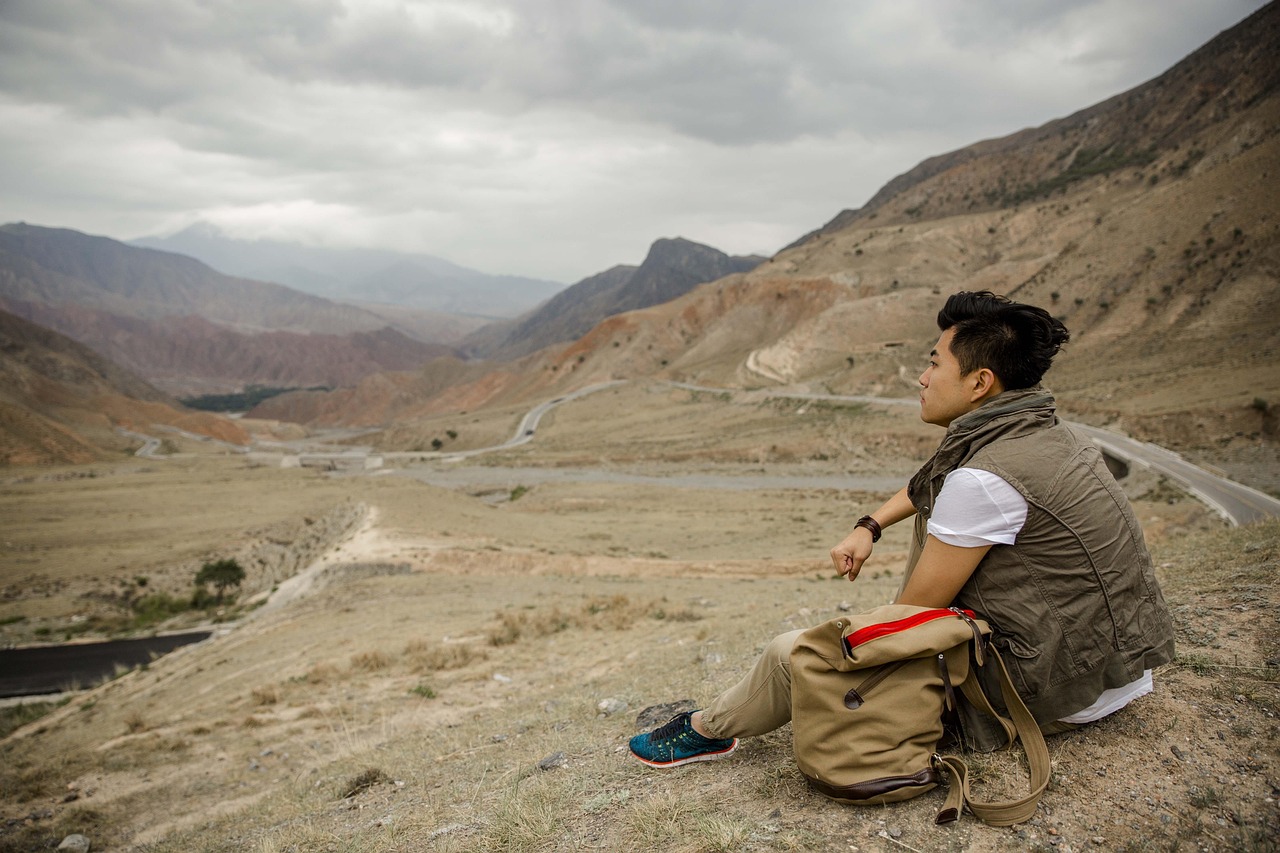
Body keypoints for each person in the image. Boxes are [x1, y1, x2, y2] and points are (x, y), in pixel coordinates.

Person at [630, 290, 1175, 768]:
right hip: (1115, 670)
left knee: (789, 653)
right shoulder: (1048, 435)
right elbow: (931, 481)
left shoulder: (983, 481)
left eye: (935, 363)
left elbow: (910, 621)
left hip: (1051, 691)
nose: (923, 377)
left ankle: (706, 729)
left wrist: (847, 646)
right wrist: (869, 526)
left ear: (980, 382)